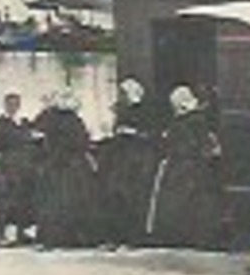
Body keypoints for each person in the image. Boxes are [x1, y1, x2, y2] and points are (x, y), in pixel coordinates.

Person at [144, 85, 225, 249]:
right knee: (190, 201)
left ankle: (183, 235)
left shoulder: (189, 122)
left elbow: (189, 144)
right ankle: (190, 235)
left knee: (184, 200)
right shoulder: (195, 121)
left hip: (184, 166)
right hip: (189, 165)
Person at [96, 78, 161, 247]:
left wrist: (133, 132)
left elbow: (152, 135)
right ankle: (116, 236)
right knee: (116, 195)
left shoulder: (146, 111)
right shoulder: (122, 111)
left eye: (124, 93)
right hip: (121, 159)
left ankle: (133, 237)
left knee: (133, 196)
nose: (121, 96)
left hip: (138, 160)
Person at [31, 91, 101, 249]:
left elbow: (38, 134)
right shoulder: (74, 120)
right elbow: (82, 141)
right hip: (70, 165)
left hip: (59, 164)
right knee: (69, 199)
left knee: (55, 200)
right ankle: (74, 237)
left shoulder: (52, 118)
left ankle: (54, 238)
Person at [0, 93, 39, 246]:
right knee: (3, 200)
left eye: (16, 104)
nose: (13, 107)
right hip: (7, 167)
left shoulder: (24, 123)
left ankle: (20, 232)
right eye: (10, 104)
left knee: (24, 199)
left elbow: (33, 141)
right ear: (5, 105)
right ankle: (1, 233)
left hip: (25, 167)